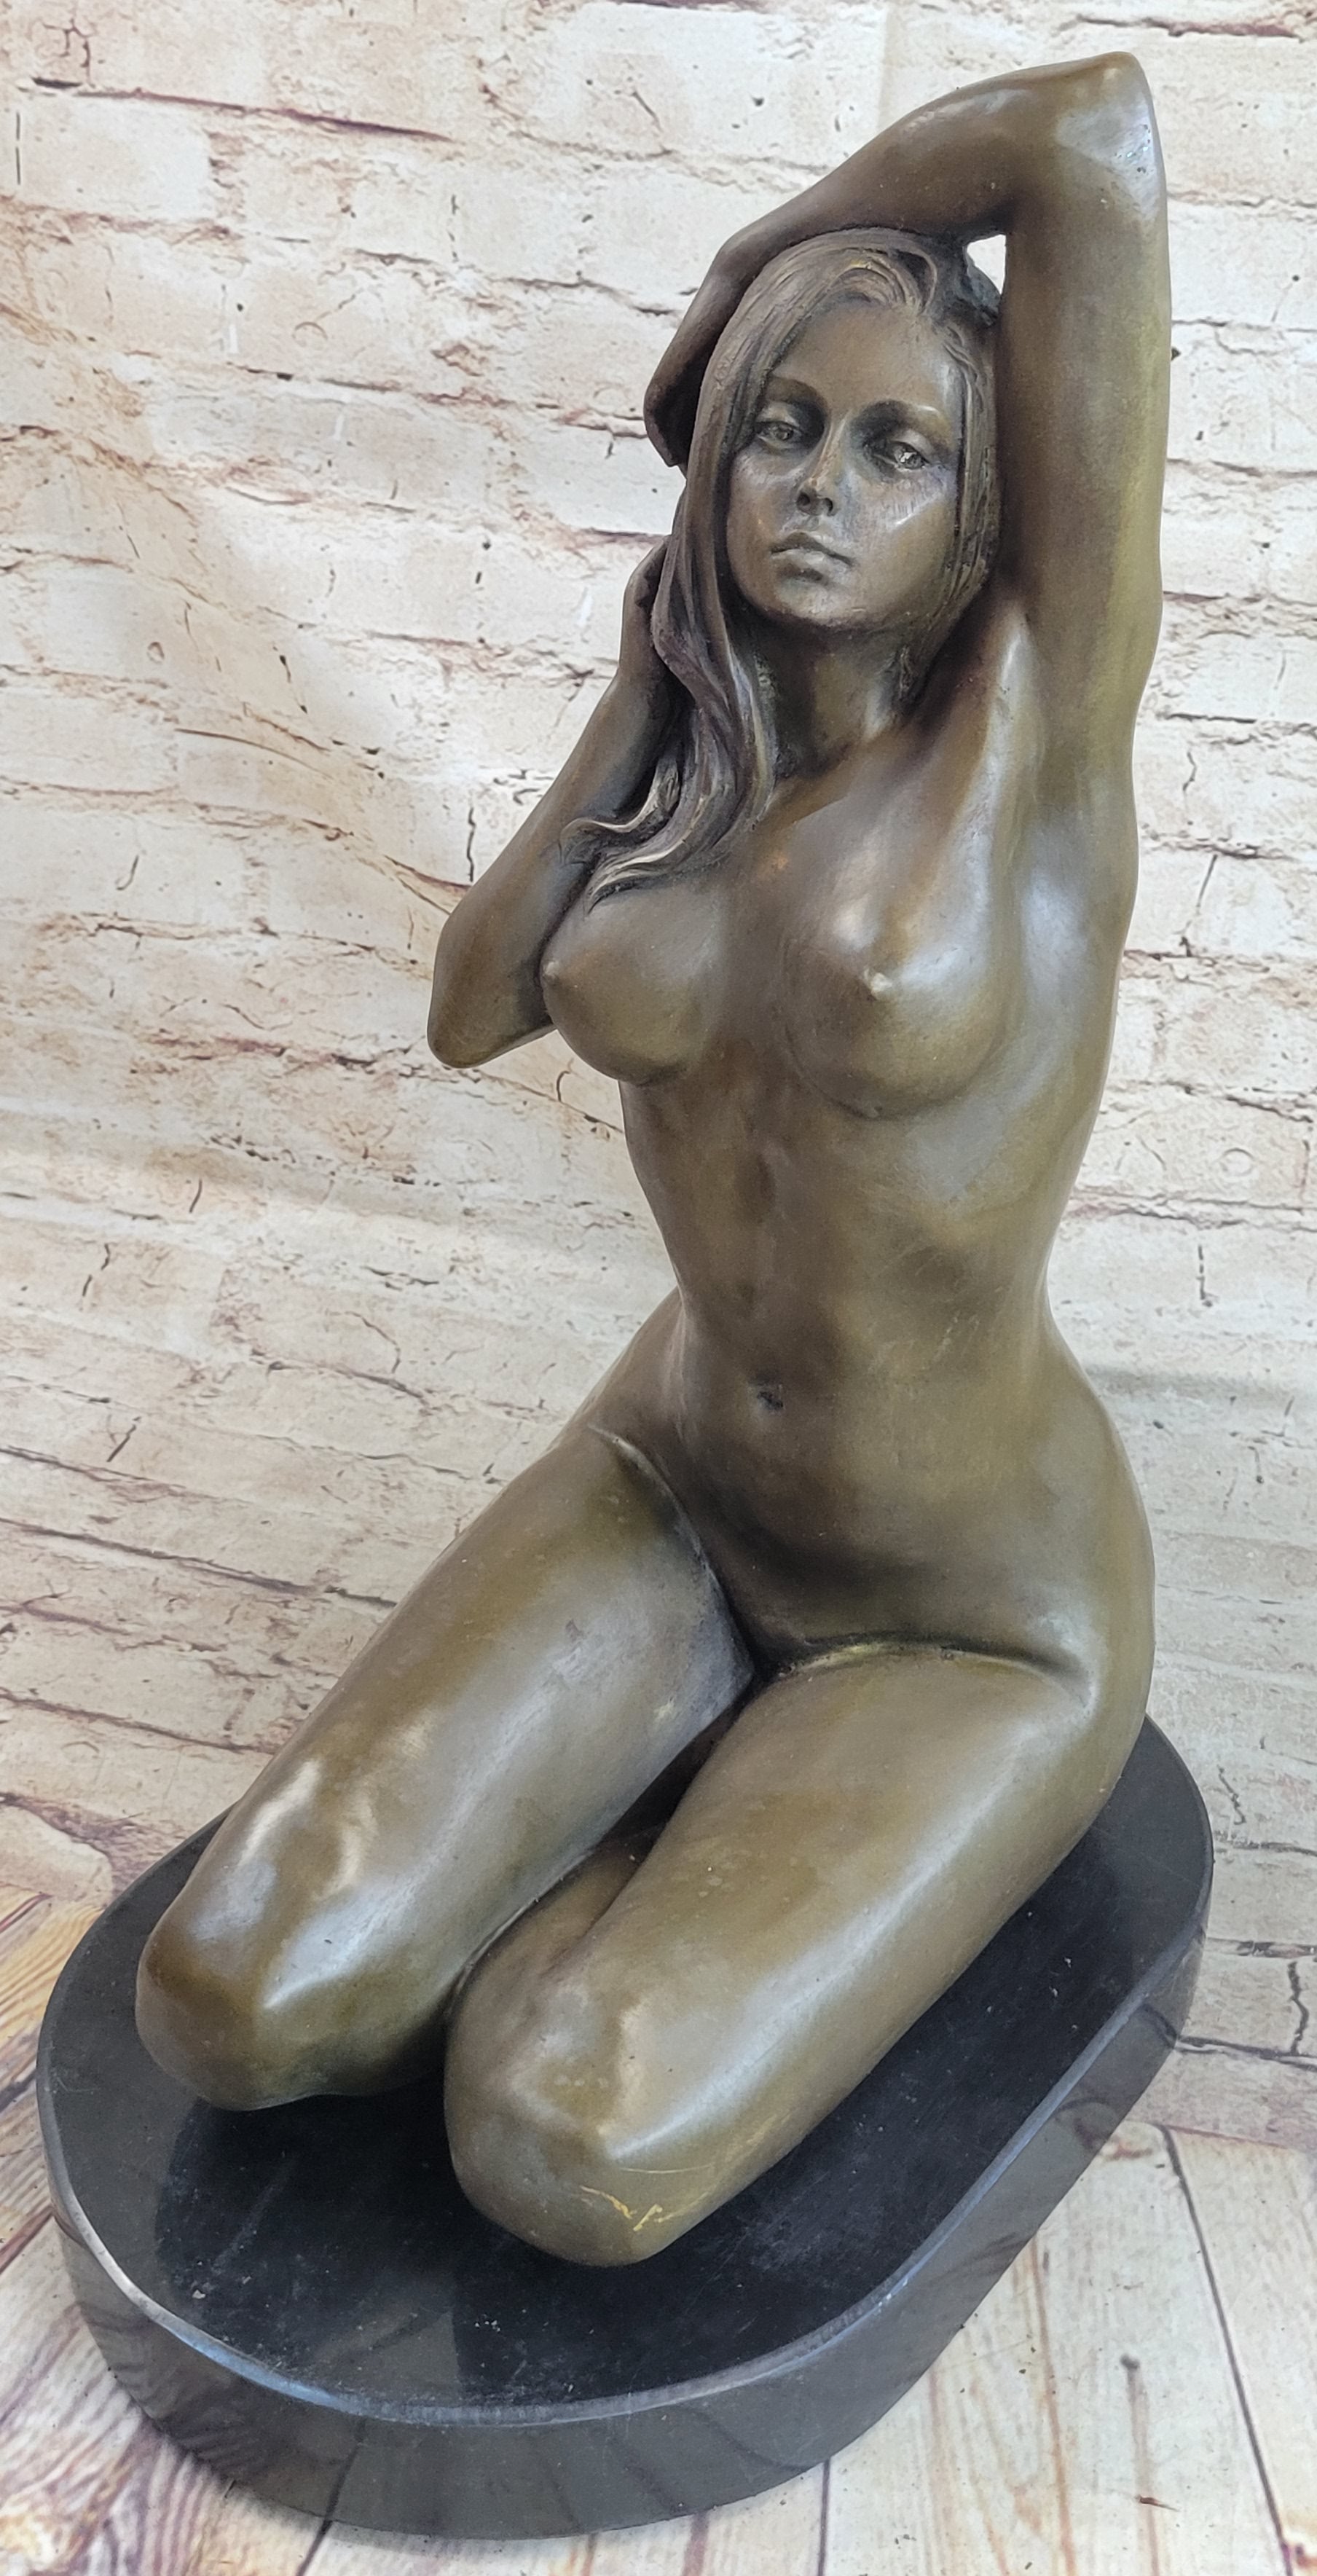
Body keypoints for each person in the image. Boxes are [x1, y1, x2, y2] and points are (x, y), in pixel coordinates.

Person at [136, 55, 1169, 2267]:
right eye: (780, 428)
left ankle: (657, 1874)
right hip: (671, 1489)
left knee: (560, 2139)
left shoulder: (1038, 727)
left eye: (898, 450)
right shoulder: (693, 766)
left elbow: (1088, 131)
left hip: (962, 1605)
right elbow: (470, 1005)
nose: (823, 487)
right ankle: (620, 1824)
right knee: (224, 2001)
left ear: (980, 507)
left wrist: (754, 260)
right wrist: (643, 686)